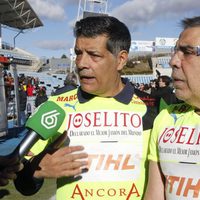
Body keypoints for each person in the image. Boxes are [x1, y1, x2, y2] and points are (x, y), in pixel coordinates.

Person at [14, 16, 159, 199]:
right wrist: (36, 170)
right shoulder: (57, 106)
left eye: (94, 55)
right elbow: (22, 183)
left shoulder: (154, 109)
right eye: (78, 53)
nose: (81, 63)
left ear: (121, 59)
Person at [144, 16, 200, 200]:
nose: (173, 61)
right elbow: (154, 195)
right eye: (175, 51)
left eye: (187, 52)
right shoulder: (166, 118)